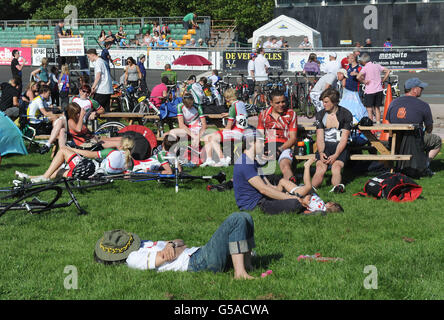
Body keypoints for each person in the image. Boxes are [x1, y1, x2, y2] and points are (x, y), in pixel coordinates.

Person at [93, 211, 256, 280]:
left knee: (246, 217)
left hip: (197, 253)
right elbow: (168, 256)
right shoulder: (133, 258)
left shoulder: (144, 244)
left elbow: (180, 242)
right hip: (197, 261)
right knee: (236, 219)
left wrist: (171, 244)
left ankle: (246, 265)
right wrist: (172, 248)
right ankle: (239, 273)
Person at [233, 130, 343, 215]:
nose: (264, 144)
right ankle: (311, 210)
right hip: (256, 205)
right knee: (295, 204)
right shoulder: (245, 163)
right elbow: (264, 189)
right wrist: (293, 198)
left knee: (280, 182)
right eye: (261, 141)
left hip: (262, 198)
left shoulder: (252, 161)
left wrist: (284, 193)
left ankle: (305, 203)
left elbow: (268, 186)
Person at [16, 135, 135, 183]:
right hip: (94, 177)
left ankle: (44, 177)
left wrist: (73, 150)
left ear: (121, 144)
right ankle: (33, 178)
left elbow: (89, 154)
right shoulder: (130, 162)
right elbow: (125, 176)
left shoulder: (112, 152)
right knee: (58, 172)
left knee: (62, 150)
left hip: (87, 170)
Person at [387, 78, 442, 177]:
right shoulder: (423, 105)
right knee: (437, 141)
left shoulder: (393, 103)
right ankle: (425, 165)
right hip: (415, 140)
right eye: (421, 88)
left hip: (395, 141)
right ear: (414, 89)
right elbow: (429, 128)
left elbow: (387, 122)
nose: (422, 90)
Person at [312, 88, 353, 193]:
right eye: (323, 102)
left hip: (340, 146)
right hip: (325, 146)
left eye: (326, 102)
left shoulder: (346, 114)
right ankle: (311, 189)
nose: (323, 104)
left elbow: (344, 139)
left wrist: (335, 155)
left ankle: (337, 188)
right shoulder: (320, 115)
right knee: (320, 167)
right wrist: (321, 152)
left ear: (334, 102)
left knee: (336, 167)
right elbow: (320, 137)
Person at [201, 88, 249, 167]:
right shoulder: (240, 103)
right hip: (242, 130)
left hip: (237, 132)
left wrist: (221, 132)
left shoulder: (233, 107)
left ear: (227, 98)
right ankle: (209, 160)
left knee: (212, 138)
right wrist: (228, 114)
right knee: (207, 137)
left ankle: (222, 159)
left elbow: (228, 127)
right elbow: (238, 113)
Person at [257, 90, 297, 180]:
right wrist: (261, 149)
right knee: (248, 163)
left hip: (284, 145)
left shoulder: (291, 114)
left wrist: (279, 150)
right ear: (271, 103)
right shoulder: (263, 114)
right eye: (277, 103)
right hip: (268, 145)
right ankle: (231, 183)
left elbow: (293, 138)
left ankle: (292, 188)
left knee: (285, 165)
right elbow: (259, 136)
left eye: (283, 102)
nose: (281, 105)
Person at [167, 93, 207, 164]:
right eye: (186, 105)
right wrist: (194, 136)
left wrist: (197, 137)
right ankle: (172, 156)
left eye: (190, 105)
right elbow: (181, 125)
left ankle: (193, 156)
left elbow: (204, 125)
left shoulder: (198, 106)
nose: (188, 107)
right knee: (171, 133)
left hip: (196, 128)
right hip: (186, 128)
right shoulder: (180, 106)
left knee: (195, 142)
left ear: (193, 101)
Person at [357, 52, 391, 124]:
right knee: (377, 108)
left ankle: (370, 123)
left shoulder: (365, 68)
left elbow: (358, 77)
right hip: (379, 90)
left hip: (370, 90)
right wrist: (383, 80)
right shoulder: (377, 65)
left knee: (369, 109)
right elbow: (388, 71)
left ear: (364, 61)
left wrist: (364, 81)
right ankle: (378, 123)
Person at [339, 53, 368, 124]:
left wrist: (357, 74)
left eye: (348, 58)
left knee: (357, 106)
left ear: (353, 59)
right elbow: (345, 76)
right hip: (347, 90)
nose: (347, 60)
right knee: (345, 105)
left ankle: (358, 119)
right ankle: (345, 119)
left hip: (355, 90)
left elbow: (364, 78)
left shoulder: (359, 67)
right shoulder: (348, 67)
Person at [87, 48, 113, 112]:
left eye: (89, 56)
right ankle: (109, 121)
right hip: (108, 89)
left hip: (102, 90)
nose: (89, 59)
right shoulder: (103, 61)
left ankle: (94, 122)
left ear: (92, 55)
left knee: (94, 109)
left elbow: (98, 76)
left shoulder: (98, 62)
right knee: (106, 110)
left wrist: (93, 87)